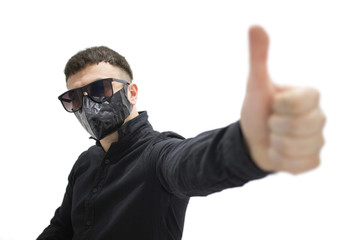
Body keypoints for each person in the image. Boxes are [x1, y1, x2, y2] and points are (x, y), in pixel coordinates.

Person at [37, 26, 326, 240]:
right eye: (74, 98)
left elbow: (191, 162)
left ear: (132, 92)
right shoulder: (85, 163)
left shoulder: (157, 154)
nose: (88, 104)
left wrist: (248, 144)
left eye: (100, 89)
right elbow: (62, 229)